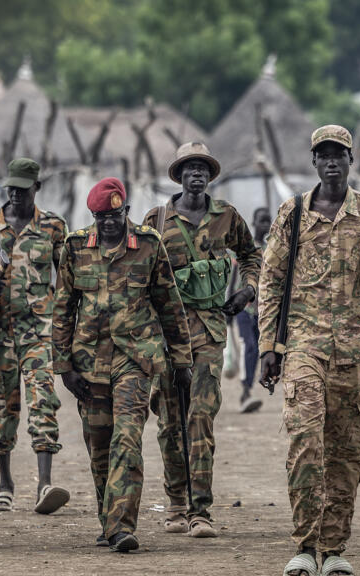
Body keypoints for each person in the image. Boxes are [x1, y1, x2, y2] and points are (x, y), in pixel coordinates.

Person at [258, 125, 360, 576]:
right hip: (304, 346)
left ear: (350, 160)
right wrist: (269, 345)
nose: (331, 162)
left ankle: (334, 547)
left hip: (353, 350)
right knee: (305, 441)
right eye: (323, 155)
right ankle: (304, 545)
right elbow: (271, 281)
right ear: (313, 162)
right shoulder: (293, 213)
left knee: (345, 447)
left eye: (339, 155)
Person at [53, 177, 193, 552]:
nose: (108, 222)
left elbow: (169, 304)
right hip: (88, 363)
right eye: (101, 217)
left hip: (135, 357)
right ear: (93, 216)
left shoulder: (148, 245)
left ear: (126, 211)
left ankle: (121, 526)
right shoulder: (75, 247)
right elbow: (63, 307)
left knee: (127, 438)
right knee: (99, 443)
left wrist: (181, 359)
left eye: (114, 215)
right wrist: (63, 366)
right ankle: (107, 518)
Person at [142, 142, 261, 538]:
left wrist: (248, 290)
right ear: (178, 175)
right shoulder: (156, 220)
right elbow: (139, 274)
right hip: (166, 335)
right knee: (168, 421)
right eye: (189, 167)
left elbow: (251, 255)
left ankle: (200, 510)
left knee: (201, 418)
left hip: (210, 331)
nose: (197, 174)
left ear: (211, 175)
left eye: (203, 168)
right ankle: (175, 503)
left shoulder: (226, 216)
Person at [0, 158, 70, 515]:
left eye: (23, 189)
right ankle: (5, 484)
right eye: (11, 189)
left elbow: (66, 281)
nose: (16, 195)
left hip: (39, 330)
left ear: (37, 188)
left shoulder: (52, 227)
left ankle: (44, 483)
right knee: (1, 406)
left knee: (43, 400)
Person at [233, 206, 271, 414]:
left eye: (268, 221)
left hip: (263, 311)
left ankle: (248, 388)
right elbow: (233, 277)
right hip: (244, 309)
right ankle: (246, 391)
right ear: (254, 223)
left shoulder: (271, 248)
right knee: (250, 347)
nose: (265, 225)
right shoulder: (246, 246)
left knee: (258, 350)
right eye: (261, 221)